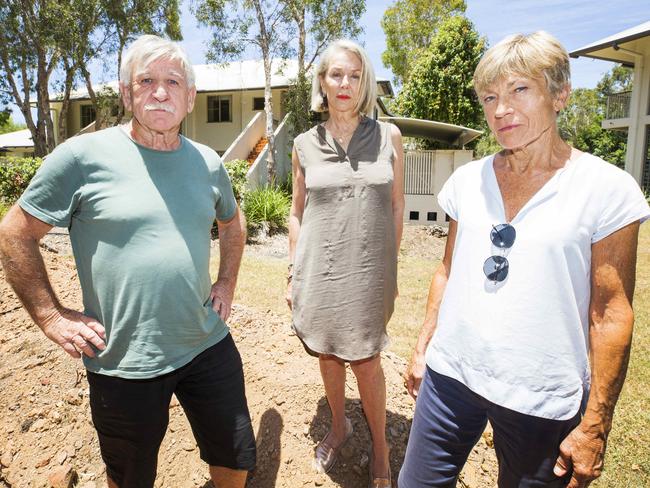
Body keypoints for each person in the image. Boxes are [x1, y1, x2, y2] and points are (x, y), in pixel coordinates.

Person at [0, 35, 256, 488]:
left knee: (235, 458)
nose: (161, 92)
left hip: (206, 342)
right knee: (130, 477)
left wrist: (227, 283)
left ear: (190, 97)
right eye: (147, 81)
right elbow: (14, 232)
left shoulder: (208, 163)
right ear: (126, 93)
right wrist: (49, 315)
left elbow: (233, 225)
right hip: (123, 360)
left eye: (173, 82)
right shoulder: (82, 157)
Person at [398, 31, 650, 488]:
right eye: (490, 96)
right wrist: (422, 349)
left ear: (560, 94)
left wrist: (595, 426)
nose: (500, 109)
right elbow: (448, 270)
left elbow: (611, 313)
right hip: (450, 375)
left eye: (519, 90)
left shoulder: (606, 191)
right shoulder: (466, 181)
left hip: (541, 394)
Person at [286, 39, 405, 488]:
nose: (345, 83)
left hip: (370, 274)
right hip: (320, 270)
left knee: (368, 360)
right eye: (336, 74)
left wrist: (389, 268)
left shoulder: (389, 136)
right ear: (322, 81)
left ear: (365, 83)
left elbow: (396, 208)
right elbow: (297, 212)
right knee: (329, 351)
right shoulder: (302, 144)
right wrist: (294, 273)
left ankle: (381, 449)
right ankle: (339, 426)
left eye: (355, 75)